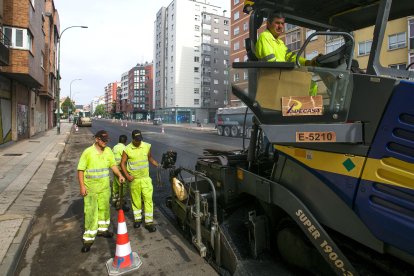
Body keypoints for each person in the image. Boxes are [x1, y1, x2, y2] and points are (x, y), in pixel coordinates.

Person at [77, 130, 126, 253]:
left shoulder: (108, 151)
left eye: (106, 140)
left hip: (104, 188)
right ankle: (88, 238)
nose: (105, 142)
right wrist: (82, 186)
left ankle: (103, 230)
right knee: (90, 213)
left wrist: (119, 174)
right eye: (103, 140)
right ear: (97, 139)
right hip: (91, 189)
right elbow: (81, 170)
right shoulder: (88, 152)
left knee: (104, 210)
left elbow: (113, 165)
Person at [121, 130, 159, 232]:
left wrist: (158, 165)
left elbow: (150, 158)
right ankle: (137, 219)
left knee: (148, 200)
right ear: (133, 139)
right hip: (134, 180)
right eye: (137, 140)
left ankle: (149, 222)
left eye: (140, 139)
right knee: (136, 200)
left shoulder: (147, 146)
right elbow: (122, 163)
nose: (138, 142)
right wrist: (127, 176)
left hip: (146, 179)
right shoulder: (127, 149)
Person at [112, 134, 129, 211]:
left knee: (115, 185)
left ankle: (115, 200)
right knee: (123, 186)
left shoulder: (114, 147)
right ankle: (120, 204)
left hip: (115, 169)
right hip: (121, 170)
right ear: (125, 141)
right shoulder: (124, 148)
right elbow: (125, 160)